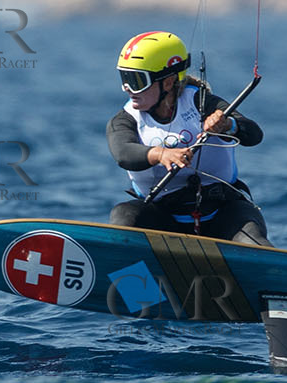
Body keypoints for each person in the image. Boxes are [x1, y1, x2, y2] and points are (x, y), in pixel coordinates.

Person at [106, 30, 270, 246]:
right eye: (124, 78)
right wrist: (160, 154)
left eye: (137, 80)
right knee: (123, 215)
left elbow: (254, 135)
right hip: (163, 219)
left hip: (223, 214)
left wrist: (228, 125)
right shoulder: (125, 120)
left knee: (251, 239)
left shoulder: (203, 103)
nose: (128, 89)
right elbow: (123, 153)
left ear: (167, 82)